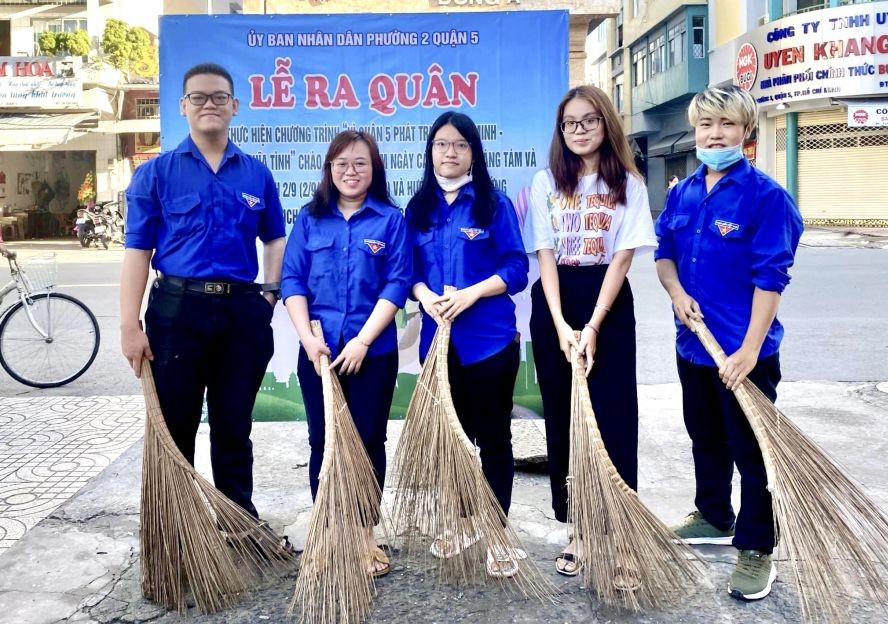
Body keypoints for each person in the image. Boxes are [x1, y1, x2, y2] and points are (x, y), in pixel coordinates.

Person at [119, 63, 289, 544]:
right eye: (198, 97)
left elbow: (275, 239)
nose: (208, 104)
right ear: (183, 107)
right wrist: (129, 325)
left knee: (234, 425)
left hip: (241, 314)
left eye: (219, 97)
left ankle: (238, 521)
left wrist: (269, 296)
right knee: (175, 427)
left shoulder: (256, 174)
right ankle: (174, 530)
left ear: (235, 106)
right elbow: (138, 251)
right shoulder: (156, 174)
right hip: (177, 312)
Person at [655, 84, 803, 601]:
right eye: (705, 126)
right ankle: (715, 514)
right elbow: (664, 254)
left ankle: (757, 547)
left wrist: (748, 350)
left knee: (753, 452)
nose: (714, 134)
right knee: (704, 436)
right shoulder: (683, 192)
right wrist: (674, 293)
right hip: (694, 347)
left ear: (746, 132)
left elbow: (772, 278)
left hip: (746, 355)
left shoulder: (766, 197)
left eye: (726, 126)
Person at [527, 85, 657, 579]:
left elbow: (622, 258)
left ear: (606, 124)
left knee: (614, 418)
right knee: (565, 418)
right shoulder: (546, 183)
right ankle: (578, 531)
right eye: (570, 124)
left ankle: (620, 534)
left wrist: (594, 324)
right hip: (557, 299)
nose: (579, 131)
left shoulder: (628, 183)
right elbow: (545, 256)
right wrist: (562, 325)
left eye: (588, 121)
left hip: (607, 300)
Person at [281, 130, 410, 578]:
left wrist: (362, 341)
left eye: (360, 164)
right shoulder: (309, 220)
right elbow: (292, 281)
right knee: (324, 441)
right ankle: (331, 531)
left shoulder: (391, 220)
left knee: (369, 440)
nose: (351, 172)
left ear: (374, 170)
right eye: (342, 164)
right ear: (329, 170)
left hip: (372, 353)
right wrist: (307, 339)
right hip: (319, 353)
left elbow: (397, 284)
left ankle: (363, 535)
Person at [406, 111, 529, 578]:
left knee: (494, 438)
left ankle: (497, 531)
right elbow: (407, 274)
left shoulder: (493, 206)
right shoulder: (416, 209)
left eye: (459, 145)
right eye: (441, 144)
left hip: (489, 342)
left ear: (473, 152)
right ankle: (461, 523)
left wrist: (474, 291)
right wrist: (424, 296)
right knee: (454, 441)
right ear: (430, 151)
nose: (450, 152)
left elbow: (517, 269)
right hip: (438, 347)